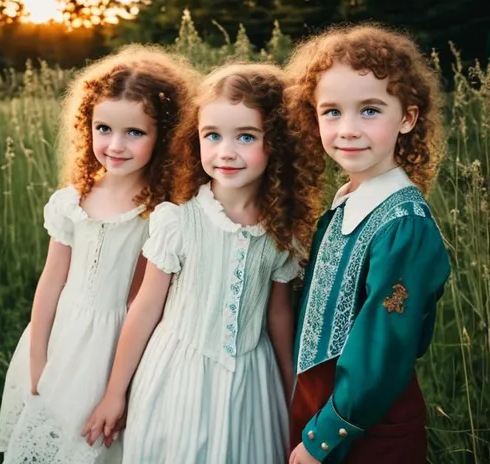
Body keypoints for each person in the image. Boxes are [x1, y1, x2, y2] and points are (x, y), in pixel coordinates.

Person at [83, 63, 319, 463]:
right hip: (177, 373)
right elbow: (144, 308)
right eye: (212, 135)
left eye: (246, 136)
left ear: (278, 143)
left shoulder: (284, 233)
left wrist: (291, 392)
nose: (225, 151)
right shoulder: (179, 220)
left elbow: (278, 315)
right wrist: (114, 393)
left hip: (251, 379)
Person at [0, 44, 197, 464]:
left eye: (135, 133)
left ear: (164, 136)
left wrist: (117, 388)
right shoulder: (72, 200)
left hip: (122, 346)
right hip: (65, 337)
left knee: (102, 444)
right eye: (103, 128)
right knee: (54, 438)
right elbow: (52, 281)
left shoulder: (164, 211)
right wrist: (38, 359)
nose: (116, 145)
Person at [286, 23, 451, 464]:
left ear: (408, 118)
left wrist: (323, 437)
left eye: (370, 111)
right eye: (332, 112)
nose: (348, 129)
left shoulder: (404, 226)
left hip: (366, 427)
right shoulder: (345, 204)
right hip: (314, 404)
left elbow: (384, 349)